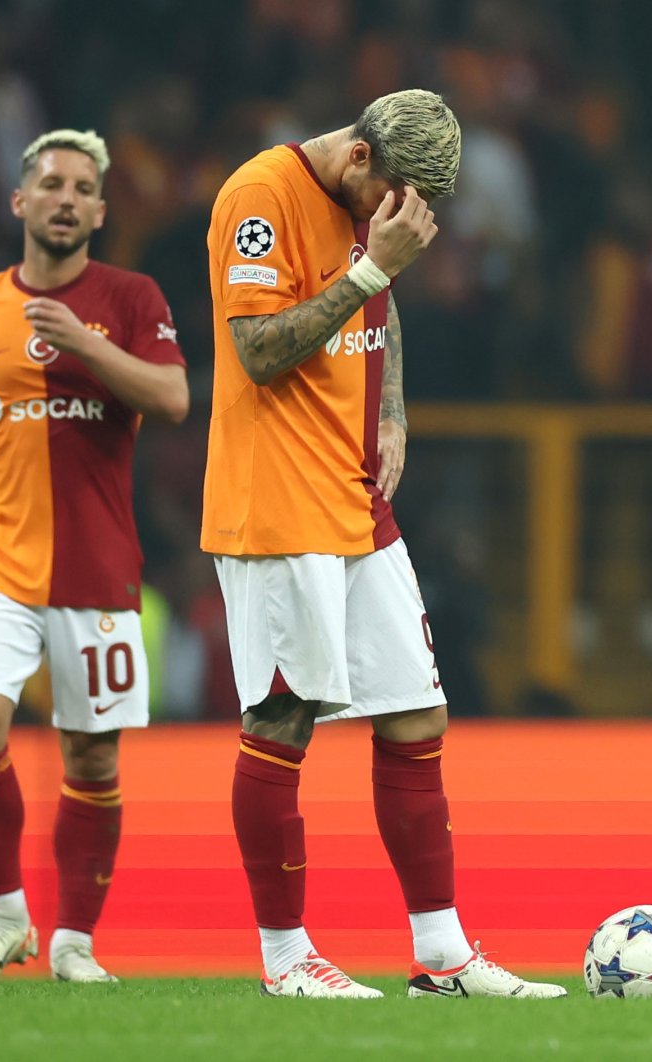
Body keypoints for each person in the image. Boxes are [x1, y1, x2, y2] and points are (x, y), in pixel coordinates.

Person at [203, 88, 562, 999]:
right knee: (284, 719)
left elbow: (382, 304)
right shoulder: (261, 199)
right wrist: (369, 275)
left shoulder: (374, 207)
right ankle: (287, 960)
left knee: (415, 717)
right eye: (390, 198)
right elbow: (257, 349)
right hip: (279, 499)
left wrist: (392, 408)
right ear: (360, 157)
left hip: (355, 497)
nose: (395, 222)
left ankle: (442, 956)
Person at [0, 129, 187, 983]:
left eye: (82, 188)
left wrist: (87, 345)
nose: (66, 198)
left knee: (92, 759)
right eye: (51, 183)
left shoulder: (131, 297)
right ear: (20, 202)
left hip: (98, 571)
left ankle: (75, 940)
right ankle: (3, 918)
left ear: (101, 211)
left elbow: (173, 398)